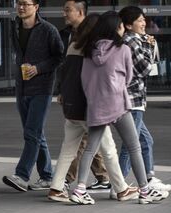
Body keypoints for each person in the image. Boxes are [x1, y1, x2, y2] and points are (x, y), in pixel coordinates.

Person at [70, 11, 166, 204]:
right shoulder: (122, 49)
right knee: (134, 147)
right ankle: (145, 191)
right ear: (117, 28)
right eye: (121, 26)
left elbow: (84, 79)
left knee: (90, 148)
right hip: (118, 104)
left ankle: (79, 189)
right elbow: (130, 76)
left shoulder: (89, 51)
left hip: (96, 105)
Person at [47, 14, 135, 203]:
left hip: (71, 108)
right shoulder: (91, 51)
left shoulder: (73, 46)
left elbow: (66, 75)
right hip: (89, 110)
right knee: (108, 148)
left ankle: (56, 188)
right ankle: (121, 189)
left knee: (68, 148)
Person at [2, 0, 64, 192]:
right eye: (19, 3)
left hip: (42, 88)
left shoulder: (48, 30)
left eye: (25, 4)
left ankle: (22, 175)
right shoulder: (15, 27)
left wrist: (38, 68)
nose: (20, 7)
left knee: (32, 133)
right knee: (36, 133)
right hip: (22, 87)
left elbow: (59, 57)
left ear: (36, 7)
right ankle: (47, 176)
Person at [59, 0, 109, 191]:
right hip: (75, 94)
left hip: (87, 97)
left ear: (80, 12)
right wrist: (63, 90)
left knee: (82, 139)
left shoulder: (92, 37)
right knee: (91, 139)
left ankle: (66, 179)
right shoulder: (69, 34)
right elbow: (67, 68)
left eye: (68, 9)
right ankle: (105, 177)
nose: (64, 13)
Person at [117, 6, 167, 191]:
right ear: (129, 25)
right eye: (140, 20)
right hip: (133, 99)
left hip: (135, 98)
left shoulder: (136, 39)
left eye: (143, 19)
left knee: (145, 140)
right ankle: (119, 183)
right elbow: (146, 69)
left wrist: (148, 44)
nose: (144, 23)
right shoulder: (131, 42)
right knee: (131, 144)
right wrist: (148, 45)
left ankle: (149, 176)